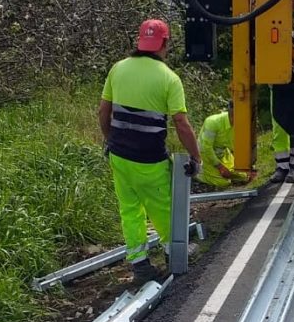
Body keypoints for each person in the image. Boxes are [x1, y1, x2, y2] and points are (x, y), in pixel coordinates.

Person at [98, 18, 203, 282]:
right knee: (162, 206)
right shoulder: (169, 78)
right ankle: (173, 252)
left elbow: (103, 110)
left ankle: (139, 263)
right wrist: (196, 156)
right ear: (165, 43)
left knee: (129, 209)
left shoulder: (118, 69)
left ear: (140, 41)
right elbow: (181, 122)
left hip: (119, 155)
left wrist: (109, 140)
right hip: (149, 158)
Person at [197, 101, 256, 189]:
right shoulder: (213, 122)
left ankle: (224, 173)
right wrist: (220, 167)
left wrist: (249, 167)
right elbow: (206, 148)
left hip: (223, 154)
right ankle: (198, 173)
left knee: (244, 176)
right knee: (222, 183)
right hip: (205, 155)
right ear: (231, 111)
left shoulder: (240, 125)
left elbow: (238, 148)